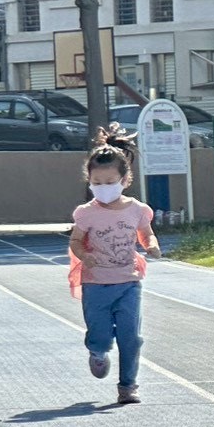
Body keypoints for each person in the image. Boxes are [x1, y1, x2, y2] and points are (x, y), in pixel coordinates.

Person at [68, 126, 160, 405]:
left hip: (128, 282)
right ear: (89, 181)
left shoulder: (137, 210)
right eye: (97, 183)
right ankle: (97, 351)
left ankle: (128, 386)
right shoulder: (87, 214)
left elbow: (146, 233)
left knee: (131, 337)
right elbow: (76, 241)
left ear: (124, 180)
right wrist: (84, 255)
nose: (103, 188)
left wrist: (151, 245)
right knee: (100, 334)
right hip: (96, 284)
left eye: (109, 182)